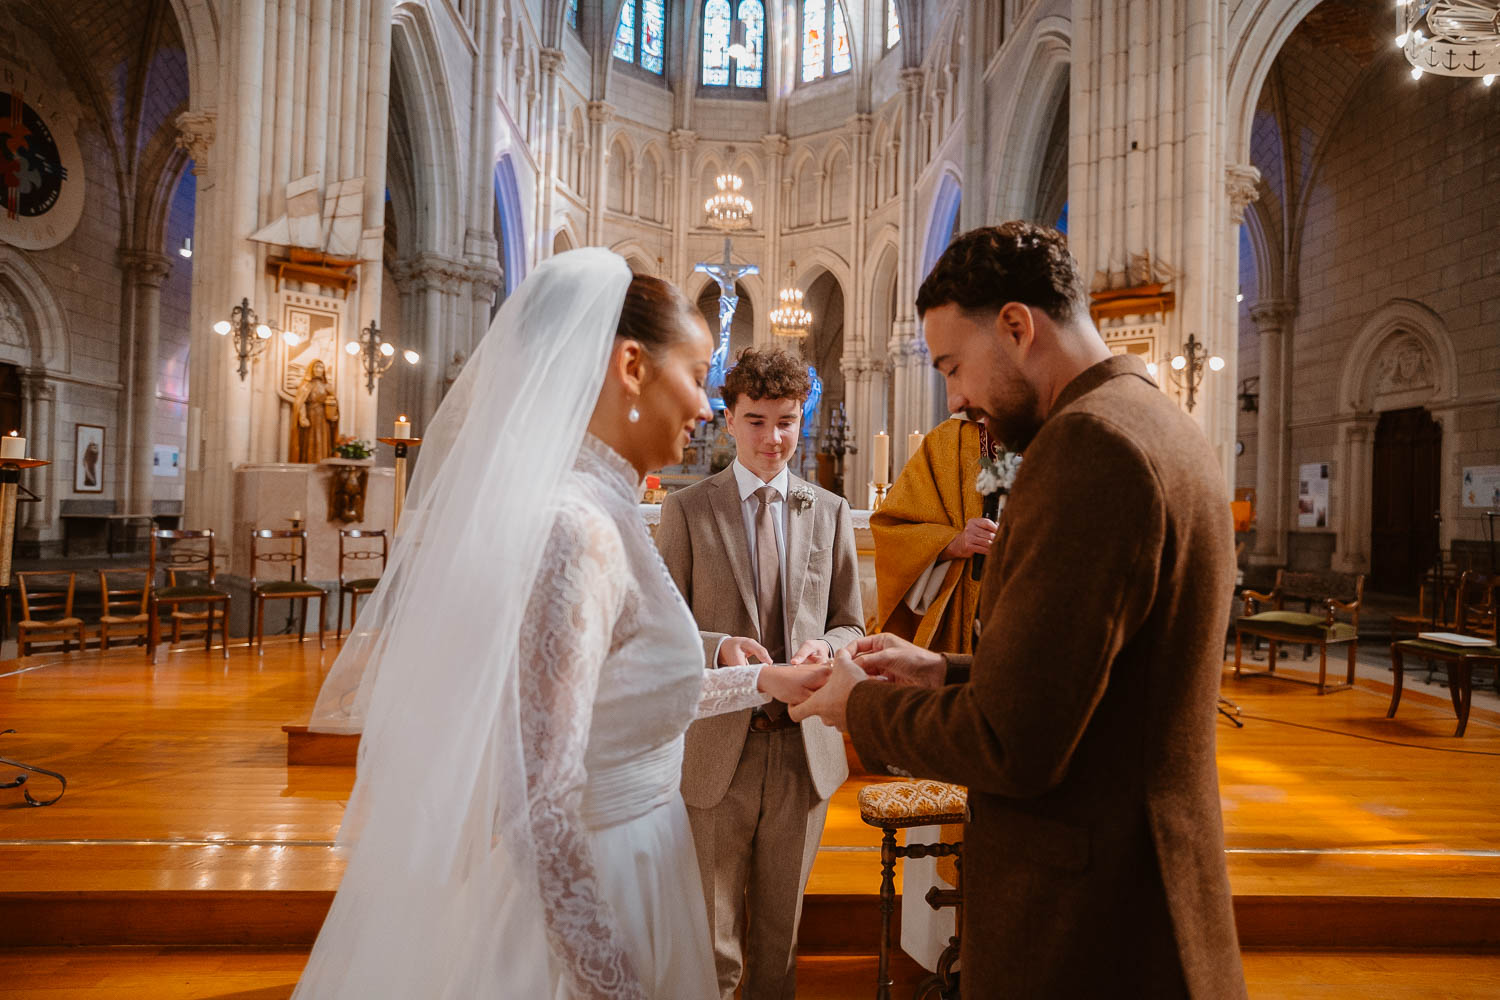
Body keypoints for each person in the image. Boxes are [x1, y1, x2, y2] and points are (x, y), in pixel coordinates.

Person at [293, 250, 830, 999]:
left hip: (646, 857)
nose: (707, 406)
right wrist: (612, 985)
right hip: (603, 887)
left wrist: (763, 679)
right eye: (699, 371)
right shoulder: (573, 528)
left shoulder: (604, 508)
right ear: (632, 366)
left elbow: (619, 701)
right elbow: (539, 804)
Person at [791, 223, 1248, 998]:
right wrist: (943, 671)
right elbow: (1098, 680)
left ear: (1016, 325)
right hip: (1146, 885)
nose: (957, 398)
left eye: (954, 366)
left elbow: (1013, 744)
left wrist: (859, 705)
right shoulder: (1163, 422)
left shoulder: (1087, 446)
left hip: (1086, 921)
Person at [656, 348, 863, 1000]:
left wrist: (827, 650)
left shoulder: (827, 511)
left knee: (779, 945)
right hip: (720, 750)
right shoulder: (688, 510)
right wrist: (719, 647)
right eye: (756, 421)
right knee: (713, 945)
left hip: (803, 752)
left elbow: (851, 622)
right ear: (727, 420)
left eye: (786, 421)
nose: (773, 439)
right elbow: (660, 633)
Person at [869, 414, 995, 654]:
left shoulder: (1059, 435)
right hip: (966, 616)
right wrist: (955, 542)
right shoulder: (949, 439)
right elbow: (893, 531)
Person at [289, 359, 339, 463]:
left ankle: (323, 460)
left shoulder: (327, 386)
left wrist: (334, 414)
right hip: (311, 415)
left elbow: (333, 402)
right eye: (316, 367)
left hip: (324, 417)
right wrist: (302, 417)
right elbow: (301, 402)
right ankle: (309, 461)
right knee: (310, 441)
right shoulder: (306, 385)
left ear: (324, 370)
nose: (318, 369)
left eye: (321, 367)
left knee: (323, 440)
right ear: (311, 369)